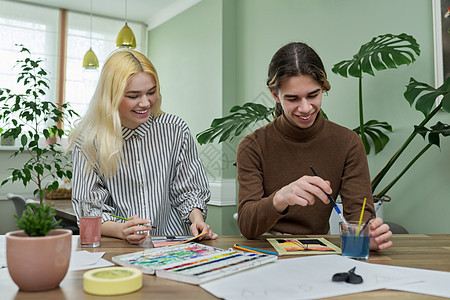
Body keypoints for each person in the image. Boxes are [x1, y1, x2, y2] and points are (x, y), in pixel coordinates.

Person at [236, 42, 392, 250]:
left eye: (313, 95)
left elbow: (359, 215)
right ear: (275, 95)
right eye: (293, 98)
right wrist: (281, 198)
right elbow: (247, 226)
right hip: (265, 251)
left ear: (323, 89)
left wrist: (365, 234)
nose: (305, 108)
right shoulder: (252, 146)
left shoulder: (348, 143)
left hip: (318, 249)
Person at [69, 49, 217, 245]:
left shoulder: (176, 130)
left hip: (172, 247)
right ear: (111, 97)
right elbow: (88, 210)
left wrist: (197, 219)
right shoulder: (88, 140)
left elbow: (188, 191)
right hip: (118, 248)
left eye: (151, 92)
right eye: (133, 95)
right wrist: (121, 230)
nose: (145, 103)